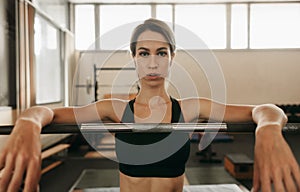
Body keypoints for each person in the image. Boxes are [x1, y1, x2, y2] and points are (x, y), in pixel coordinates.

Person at [0, 18, 299, 192]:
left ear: (172, 58)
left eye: (161, 53)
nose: (153, 62)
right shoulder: (114, 109)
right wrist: (28, 122)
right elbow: (47, 112)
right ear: (134, 58)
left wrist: (269, 129)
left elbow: (265, 109)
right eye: (144, 53)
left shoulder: (191, 108)